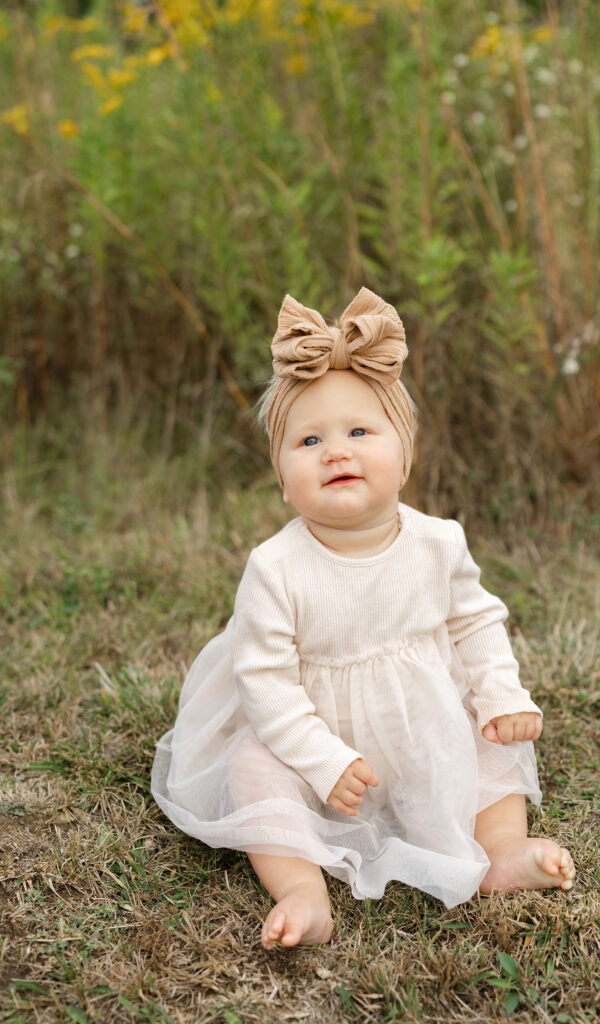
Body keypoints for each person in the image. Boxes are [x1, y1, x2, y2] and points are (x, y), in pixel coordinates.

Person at [152, 288, 575, 951]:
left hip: (418, 720)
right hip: (308, 732)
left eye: (358, 432)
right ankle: (300, 888)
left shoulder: (438, 542)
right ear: (283, 480)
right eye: (308, 439)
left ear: (403, 457)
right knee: (253, 768)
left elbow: (475, 624)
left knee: (490, 736)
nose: (334, 452)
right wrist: (319, 758)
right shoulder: (275, 566)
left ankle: (500, 852)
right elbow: (264, 681)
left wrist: (499, 692)